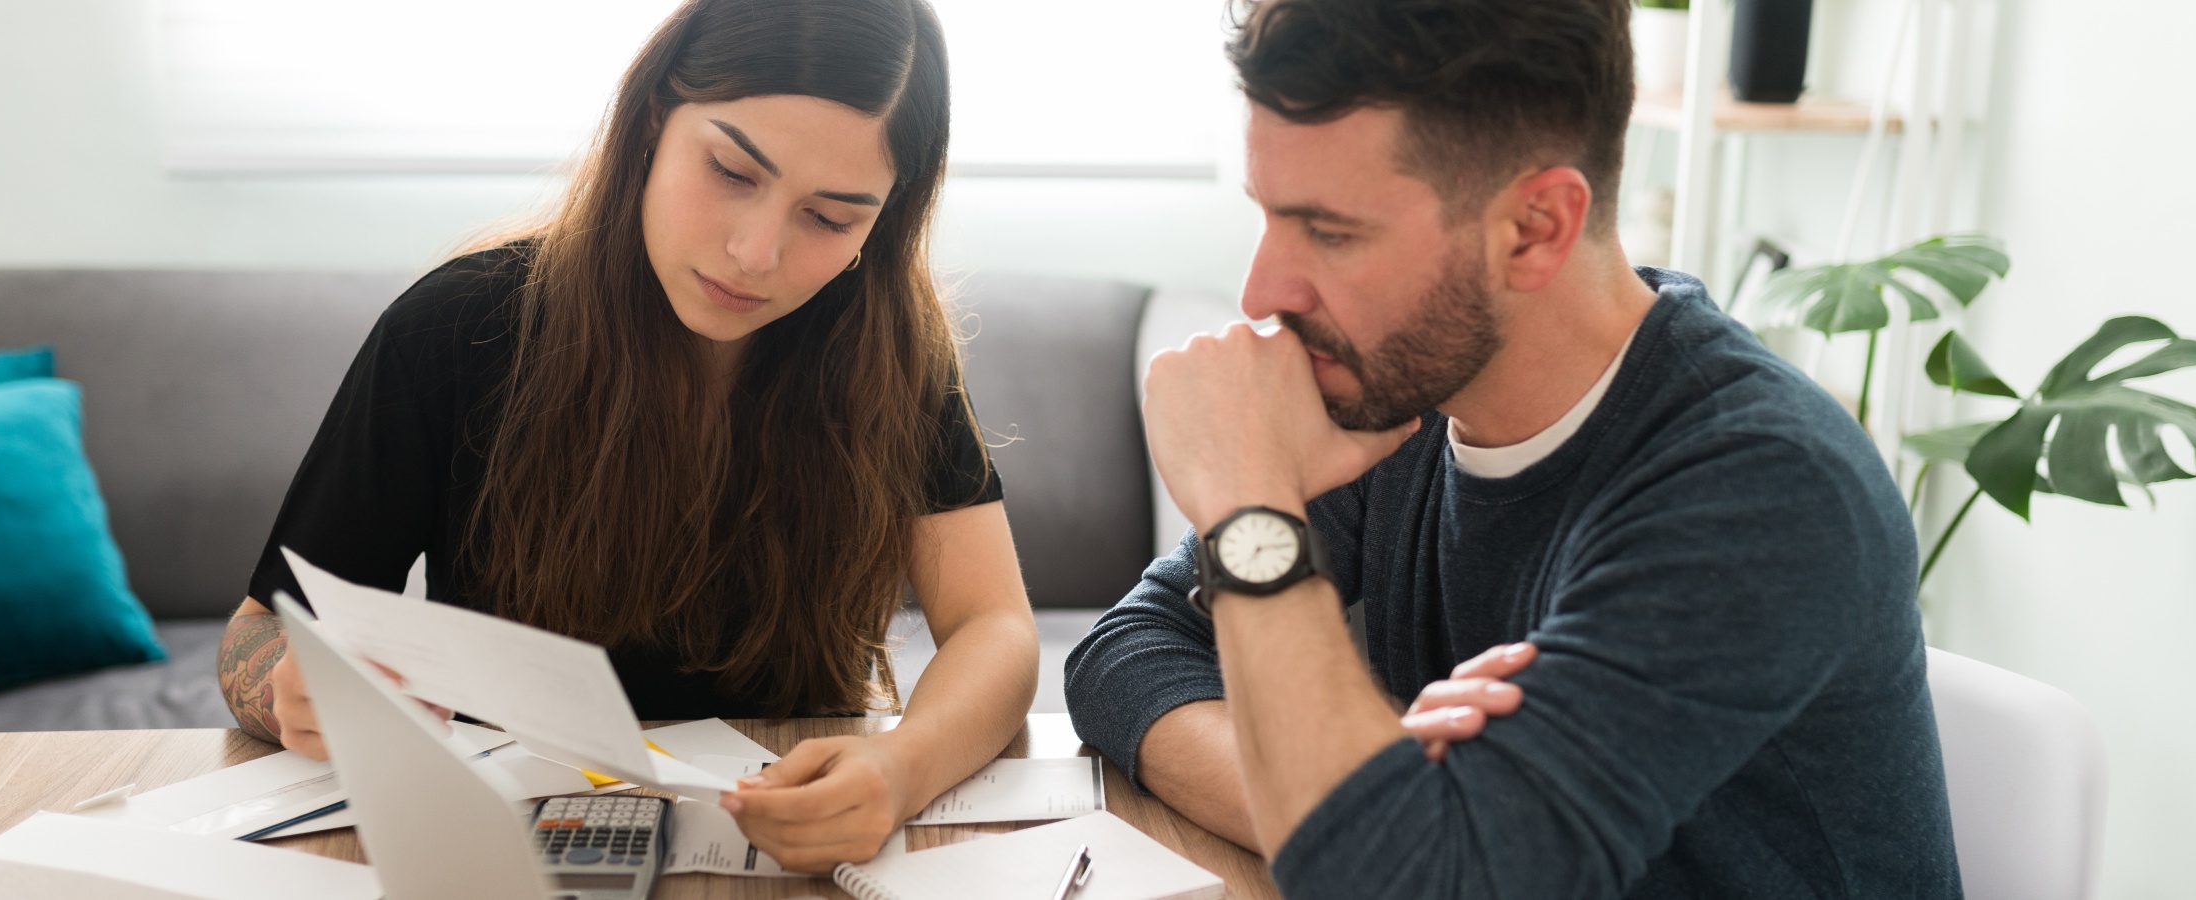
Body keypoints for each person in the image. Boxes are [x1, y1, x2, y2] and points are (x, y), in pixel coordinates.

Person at [1064, 0, 1963, 897]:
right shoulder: (1399, 397)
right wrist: (1363, 794)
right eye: (1268, 216)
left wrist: (1247, 507)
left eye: (1331, 233)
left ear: (1534, 230)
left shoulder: (1765, 488)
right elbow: (1127, 656)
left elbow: (1406, 876)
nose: (1261, 289)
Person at [214, 0, 1039, 873]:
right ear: (652, 119)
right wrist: (287, 692)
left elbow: (995, 628)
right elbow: (258, 630)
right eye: (730, 170)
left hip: (788, 853)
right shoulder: (455, 329)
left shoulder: (893, 352)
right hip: (514, 849)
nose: (755, 252)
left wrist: (900, 767)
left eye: (830, 219)